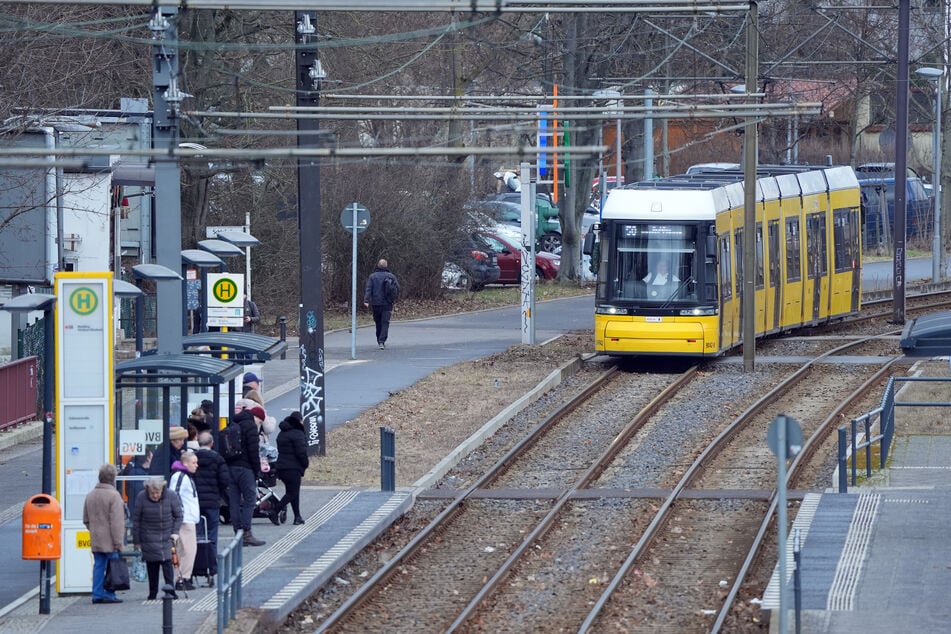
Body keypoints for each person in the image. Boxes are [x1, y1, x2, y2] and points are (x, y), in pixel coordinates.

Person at [132, 476, 182, 601]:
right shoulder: (141, 497)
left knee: (167, 564)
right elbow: (136, 520)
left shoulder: (171, 496)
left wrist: (175, 532)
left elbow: (179, 516)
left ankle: (171, 591)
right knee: (152, 565)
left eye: (157, 493)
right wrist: (137, 541)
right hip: (148, 536)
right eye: (152, 493)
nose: (155, 496)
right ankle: (152, 593)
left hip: (166, 536)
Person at [223, 403, 266, 547]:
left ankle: (238, 533)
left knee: (234, 502)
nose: (259, 424)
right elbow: (253, 451)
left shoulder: (233, 423)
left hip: (231, 468)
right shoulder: (250, 426)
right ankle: (247, 533)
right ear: (256, 417)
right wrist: (257, 470)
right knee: (249, 500)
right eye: (260, 421)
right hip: (245, 468)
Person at [82, 463, 126, 604]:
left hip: (96, 537)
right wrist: (118, 542)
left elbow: (86, 519)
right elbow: (117, 522)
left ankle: (97, 593)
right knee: (112, 566)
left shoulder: (90, 495)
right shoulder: (114, 496)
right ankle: (109, 594)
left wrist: (93, 530)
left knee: (99, 565)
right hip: (111, 539)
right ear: (113, 478)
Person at [195, 431, 231, 561]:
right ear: (211, 443)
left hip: (196, 502)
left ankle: (198, 561)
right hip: (212, 501)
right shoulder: (217, 459)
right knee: (212, 532)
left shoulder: (193, 458)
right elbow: (224, 480)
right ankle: (211, 561)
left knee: (197, 533)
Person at [168, 451, 199, 591]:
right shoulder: (180, 477)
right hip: (185, 519)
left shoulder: (185, 476)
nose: (196, 465)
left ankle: (183, 577)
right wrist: (179, 514)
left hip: (188, 518)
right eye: (193, 462)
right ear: (185, 463)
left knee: (187, 550)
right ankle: (182, 578)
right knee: (187, 550)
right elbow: (174, 495)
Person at [273, 411, 309, 526]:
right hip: (293, 468)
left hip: (282, 467)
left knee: (292, 492)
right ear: (299, 421)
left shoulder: (282, 433)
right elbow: (301, 452)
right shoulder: (298, 434)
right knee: (292, 493)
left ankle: (297, 517)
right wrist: (305, 463)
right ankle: (274, 511)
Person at [363, 258, 400, 350]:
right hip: (387, 303)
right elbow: (397, 288)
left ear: (378, 266)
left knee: (378, 322)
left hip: (376, 303)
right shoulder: (391, 276)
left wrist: (366, 300)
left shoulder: (372, 276)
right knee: (385, 322)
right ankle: (382, 341)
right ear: (386, 266)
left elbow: (369, 289)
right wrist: (394, 299)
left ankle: (379, 339)